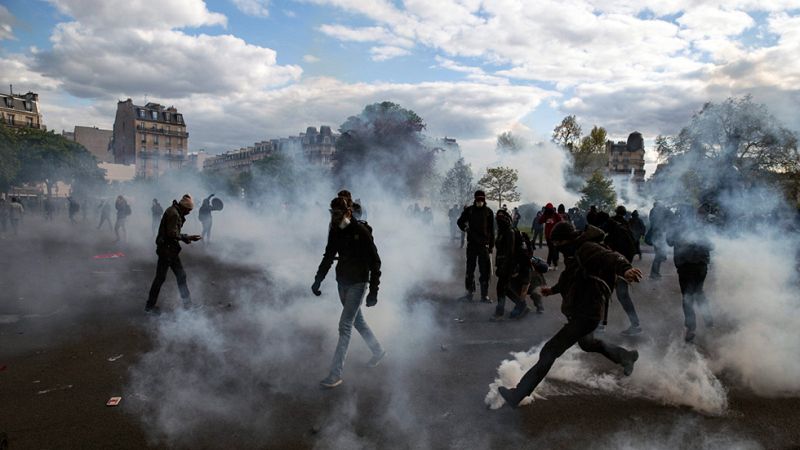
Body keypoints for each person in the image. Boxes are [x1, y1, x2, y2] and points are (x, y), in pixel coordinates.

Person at [497, 221, 642, 408]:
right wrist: (553, 290)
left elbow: (610, 257)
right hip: (585, 311)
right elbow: (569, 277)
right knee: (588, 343)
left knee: (549, 351)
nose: (556, 247)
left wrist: (626, 269)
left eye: (557, 243)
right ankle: (625, 357)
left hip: (587, 313)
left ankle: (517, 394)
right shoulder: (575, 253)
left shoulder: (587, 248)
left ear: (566, 240)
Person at [312, 196, 385, 389]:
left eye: (339, 214)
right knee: (357, 321)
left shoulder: (360, 231)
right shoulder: (336, 231)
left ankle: (335, 374)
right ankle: (378, 351)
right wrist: (318, 279)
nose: (335, 218)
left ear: (348, 212)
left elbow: (375, 262)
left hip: (359, 283)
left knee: (345, 325)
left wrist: (373, 292)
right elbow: (328, 255)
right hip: (342, 281)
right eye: (332, 214)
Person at [145, 194, 202, 314]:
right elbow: (172, 234)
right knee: (162, 278)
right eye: (189, 210)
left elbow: (172, 233)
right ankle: (150, 307)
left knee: (179, 276)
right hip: (167, 250)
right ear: (184, 207)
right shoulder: (174, 214)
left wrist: (185, 238)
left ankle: (187, 304)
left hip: (169, 249)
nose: (189, 212)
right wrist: (187, 237)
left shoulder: (174, 211)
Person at [667, 205, 714, 343]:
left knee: (687, 296)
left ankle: (691, 328)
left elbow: (669, 242)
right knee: (698, 291)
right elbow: (712, 246)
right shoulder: (704, 227)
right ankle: (707, 318)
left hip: (686, 265)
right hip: (700, 264)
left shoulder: (677, 226)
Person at [603, 206, 643, 336]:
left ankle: (599, 325)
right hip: (622, 266)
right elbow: (632, 247)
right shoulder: (626, 226)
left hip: (613, 266)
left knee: (604, 293)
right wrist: (626, 265)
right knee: (622, 296)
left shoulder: (612, 225)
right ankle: (635, 324)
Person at [492, 209, 532, 320]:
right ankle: (521, 305)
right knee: (505, 288)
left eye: (502, 218)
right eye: (498, 219)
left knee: (501, 287)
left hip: (509, 265)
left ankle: (499, 313)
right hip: (505, 264)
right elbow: (501, 251)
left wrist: (507, 267)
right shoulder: (502, 232)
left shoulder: (509, 232)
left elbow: (510, 252)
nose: (500, 221)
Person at [457, 190, 495, 302]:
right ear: (475, 199)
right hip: (472, 245)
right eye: (478, 199)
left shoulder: (489, 212)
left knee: (485, 272)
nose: (480, 201)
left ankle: (484, 295)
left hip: (484, 246)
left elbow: (492, 231)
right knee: (470, 270)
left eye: (481, 199)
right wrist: (466, 229)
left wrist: (491, 246)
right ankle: (469, 293)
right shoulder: (469, 210)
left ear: (484, 199)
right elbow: (460, 222)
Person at [647, 202, 670, 279]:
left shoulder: (653, 211)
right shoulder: (657, 211)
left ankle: (655, 273)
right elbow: (670, 215)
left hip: (656, 234)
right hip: (658, 235)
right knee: (659, 256)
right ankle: (654, 273)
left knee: (659, 255)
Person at [538, 203, 562, 270]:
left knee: (552, 250)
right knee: (552, 250)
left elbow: (561, 222)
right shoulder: (545, 215)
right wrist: (545, 218)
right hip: (548, 236)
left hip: (554, 235)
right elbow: (540, 221)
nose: (548, 210)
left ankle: (551, 264)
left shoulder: (555, 215)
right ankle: (552, 264)